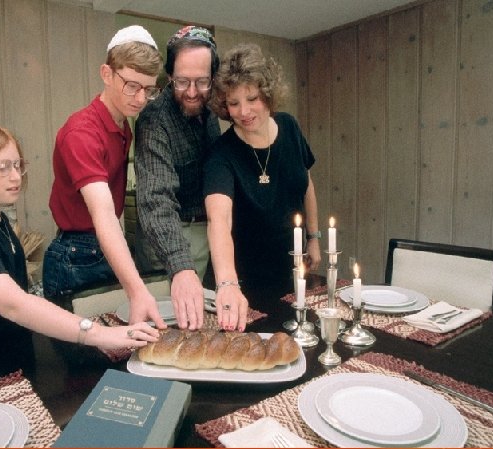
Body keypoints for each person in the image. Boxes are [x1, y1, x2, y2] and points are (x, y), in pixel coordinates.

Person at [0, 122, 158, 377]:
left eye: (17, 165)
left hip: (8, 356)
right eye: (2, 167)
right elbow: (13, 304)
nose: (16, 176)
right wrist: (99, 334)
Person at [43, 25, 166, 328]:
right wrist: (138, 291)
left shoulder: (123, 125)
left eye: (148, 89)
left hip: (102, 248)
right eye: (131, 86)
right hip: (76, 257)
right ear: (106, 74)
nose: (140, 98)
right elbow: (104, 215)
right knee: (81, 361)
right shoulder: (82, 132)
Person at [203, 44, 322, 331]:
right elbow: (219, 220)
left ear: (267, 94)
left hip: (286, 273)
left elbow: (305, 184)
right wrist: (228, 284)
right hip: (240, 282)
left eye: (252, 98)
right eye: (233, 103)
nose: (243, 111)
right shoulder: (222, 155)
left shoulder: (290, 127)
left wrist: (313, 237)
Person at [134, 26, 221, 330]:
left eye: (202, 81)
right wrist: (181, 266)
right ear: (169, 75)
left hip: (210, 234)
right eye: (182, 81)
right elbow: (155, 199)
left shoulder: (212, 110)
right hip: (170, 240)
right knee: (170, 332)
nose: (193, 92)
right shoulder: (154, 119)